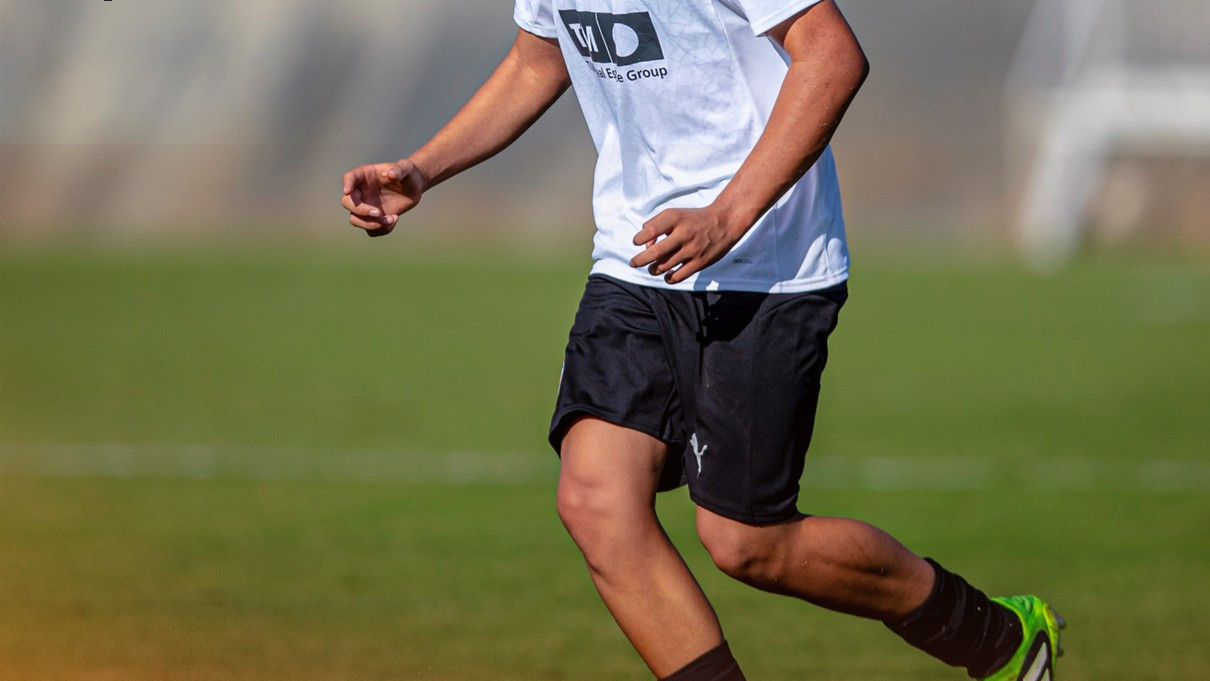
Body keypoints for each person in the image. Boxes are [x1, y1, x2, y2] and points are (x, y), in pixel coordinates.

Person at [340, 2, 1064, 679]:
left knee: (747, 542)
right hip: (635, 257)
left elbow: (833, 56)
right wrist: (423, 169)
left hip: (767, 268)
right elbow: (537, 61)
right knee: (596, 501)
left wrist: (726, 216)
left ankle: (999, 637)